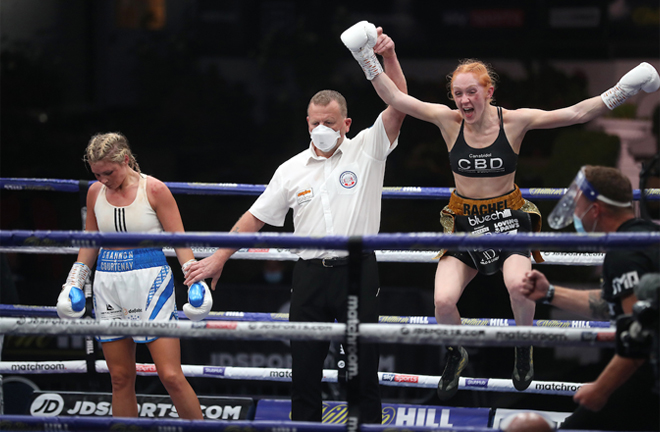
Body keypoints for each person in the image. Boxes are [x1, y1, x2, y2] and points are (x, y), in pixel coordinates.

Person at [341, 21, 660, 399]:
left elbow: (576, 113)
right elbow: (396, 99)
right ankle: (456, 352)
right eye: (458, 93)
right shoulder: (449, 121)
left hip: (509, 218)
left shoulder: (515, 121)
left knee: (518, 287)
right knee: (442, 301)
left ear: (488, 92)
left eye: (471, 92)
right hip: (463, 221)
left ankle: (522, 345)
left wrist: (627, 86)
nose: (464, 100)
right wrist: (366, 57)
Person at [184, 25, 407, 424]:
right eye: (315, 121)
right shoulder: (290, 171)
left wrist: (387, 57)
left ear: (347, 123)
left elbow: (399, 104)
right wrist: (219, 258)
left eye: (330, 122)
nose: (322, 128)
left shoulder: (367, 151)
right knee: (304, 370)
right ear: (307, 122)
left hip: (357, 271)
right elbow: (254, 217)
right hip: (308, 275)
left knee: (363, 369)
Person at [56, 132, 212, 419]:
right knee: (119, 378)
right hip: (107, 281)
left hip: (149, 280)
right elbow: (91, 242)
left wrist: (195, 279)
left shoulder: (153, 189)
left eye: (108, 172)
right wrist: (74, 282)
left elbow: (179, 239)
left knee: (170, 375)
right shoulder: (94, 193)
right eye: (97, 173)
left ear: (125, 160)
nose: (103, 179)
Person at [520, 165, 659, 431]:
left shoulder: (624, 253)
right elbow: (615, 305)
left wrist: (601, 390)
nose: (574, 213)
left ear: (595, 210)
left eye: (578, 205)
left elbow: (637, 339)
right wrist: (550, 293)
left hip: (647, 376)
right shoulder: (642, 236)